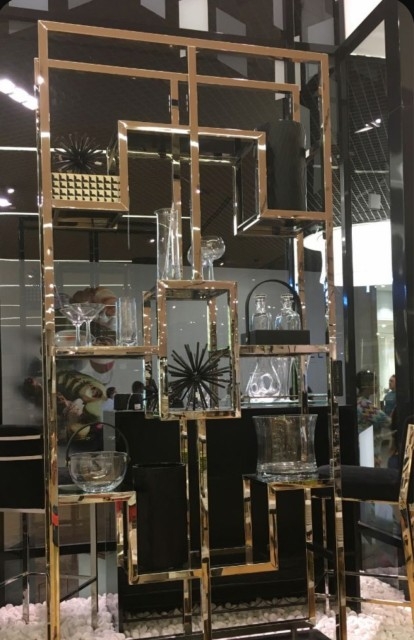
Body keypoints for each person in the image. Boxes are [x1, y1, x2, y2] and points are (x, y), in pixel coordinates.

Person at [356, 369, 393, 467]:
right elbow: (387, 421)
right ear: (367, 384)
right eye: (374, 382)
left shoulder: (359, 402)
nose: (376, 385)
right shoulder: (364, 405)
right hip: (369, 452)